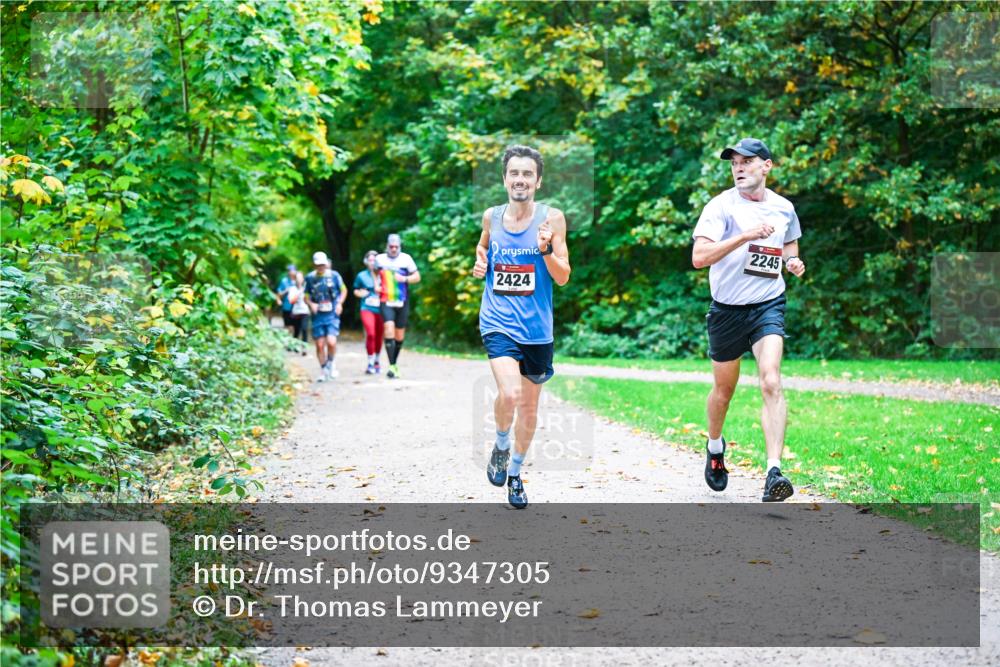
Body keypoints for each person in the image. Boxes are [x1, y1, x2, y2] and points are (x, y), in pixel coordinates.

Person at [691, 137, 806, 502]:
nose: (738, 168)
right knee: (723, 392)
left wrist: (792, 262)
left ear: (766, 166)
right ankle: (714, 447)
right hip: (726, 310)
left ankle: (774, 471)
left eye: (746, 162)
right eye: (734, 164)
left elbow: (789, 244)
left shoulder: (784, 208)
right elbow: (699, 257)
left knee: (771, 379)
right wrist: (743, 236)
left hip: (767, 304)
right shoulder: (720, 207)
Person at [473, 145, 570, 509]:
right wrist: (480, 264)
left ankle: (514, 473)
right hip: (497, 320)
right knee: (510, 394)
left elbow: (563, 277)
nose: (520, 180)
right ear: (504, 179)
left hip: (537, 330)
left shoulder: (553, 220)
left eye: (527, 174)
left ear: (538, 181)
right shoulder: (491, 217)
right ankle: (500, 444)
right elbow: (482, 250)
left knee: (528, 409)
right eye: (514, 173)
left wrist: (546, 251)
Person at [375, 233, 420, 379]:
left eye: (396, 247)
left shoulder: (406, 259)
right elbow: (374, 272)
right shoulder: (380, 259)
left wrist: (405, 278)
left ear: (400, 246)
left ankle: (394, 364)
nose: (393, 249)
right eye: (391, 246)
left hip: (402, 300)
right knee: (388, 328)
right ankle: (392, 365)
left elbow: (417, 277)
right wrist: (376, 284)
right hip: (385, 299)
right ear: (387, 246)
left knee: (399, 334)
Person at [303, 251, 347, 382]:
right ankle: (323, 370)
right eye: (318, 265)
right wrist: (311, 304)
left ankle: (331, 363)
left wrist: (339, 303)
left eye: (323, 264)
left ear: (326, 263)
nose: (321, 267)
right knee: (320, 344)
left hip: (332, 313)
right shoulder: (310, 278)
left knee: (332, 341)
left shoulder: (334, 276)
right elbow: (306, 295)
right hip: (318, 315)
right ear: (314, 265)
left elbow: (344, 290)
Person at [353, 250, 384, 374]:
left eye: (374, 260)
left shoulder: (384, 275)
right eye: (370, 260)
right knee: (370, 333)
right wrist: (361, 293)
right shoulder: (361, 276)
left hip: (381, 308)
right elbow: (355, 290)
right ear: (366, 262)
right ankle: (370, 361)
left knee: (379, 335)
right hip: (367, 307)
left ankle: (377, 360)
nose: (372, 263)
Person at [287, 271, 310, 354]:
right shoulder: (292, 289)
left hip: (305, 312)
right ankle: (294, 345)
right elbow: (291, 301)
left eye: (300, 278)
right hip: (296, 312)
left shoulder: (306, 288)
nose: (299, 280)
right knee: (296, 331)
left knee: (304, 329)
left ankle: (304, 348)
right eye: (297, 278)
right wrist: (298, 293)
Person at [277, 264, 297, 336]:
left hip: (296, 307)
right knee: (288, 324)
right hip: (287, 306)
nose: (290, 272)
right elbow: (279, 294)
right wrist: (286, 291)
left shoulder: (298, 280)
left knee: (295, 325)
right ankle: (289, 340)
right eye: (289, 271)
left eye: (292, 270)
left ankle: (295, 340)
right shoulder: (284, 281)